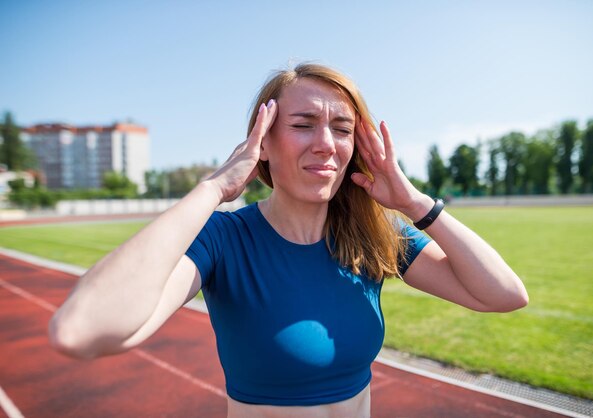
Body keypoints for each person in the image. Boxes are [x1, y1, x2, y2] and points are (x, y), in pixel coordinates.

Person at [49, 63, 528, 417]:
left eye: (342, 129)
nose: (326, 143)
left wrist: (414, 203)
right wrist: (213, 189)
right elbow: (80, 329)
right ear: (262, 145)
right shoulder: (223, 240)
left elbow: (504, 295)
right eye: (302, 125)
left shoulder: (374, 235)